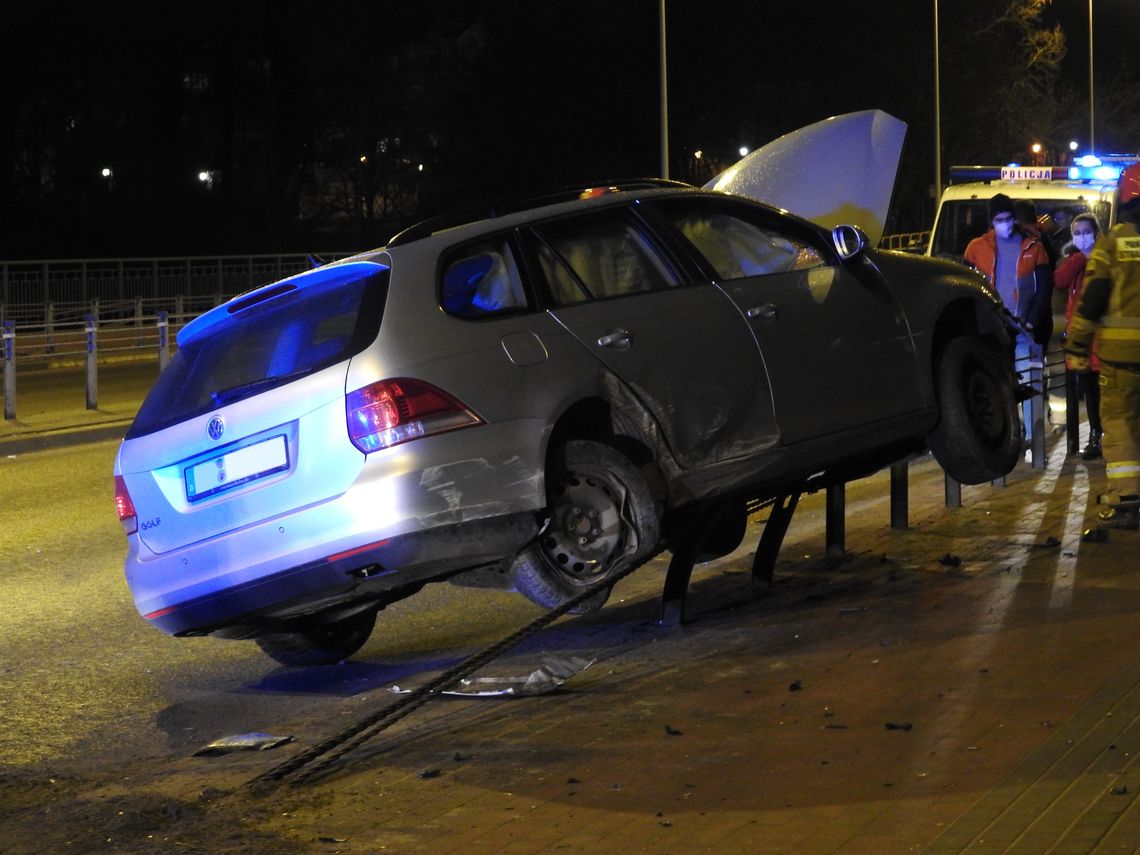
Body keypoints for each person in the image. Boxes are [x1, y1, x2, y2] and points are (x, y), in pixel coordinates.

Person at [1064, 163, 1140, 530]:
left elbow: (1092, 299)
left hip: (1120, 358)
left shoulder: (1111, 243)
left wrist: (1077, 346)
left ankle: (1127, 500)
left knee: (1121, 425)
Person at [964, 192, 1054, 444]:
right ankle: (1011, 434)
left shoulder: (1033, 246)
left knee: (1028, 378)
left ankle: (1032, 437)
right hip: (992, 328)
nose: (1004, 223)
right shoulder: (976, 248)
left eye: (1008, 218)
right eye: (999, 219)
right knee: (1000, 382)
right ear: (991, 221)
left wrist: (1032, 320)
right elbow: (969, 288)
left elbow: (1044, 288)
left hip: (1024, 326)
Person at [1055, 213, 1104, 459]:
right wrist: (1080, 258)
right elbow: (1060, 280)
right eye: (1077, 233)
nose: (1082, 237)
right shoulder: (1074, 261)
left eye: (1086, 232)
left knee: (1104, 391)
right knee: (1090, 390)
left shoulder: (1105, 259)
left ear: (1096, 233)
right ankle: (1097, 435)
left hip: (1102, 337)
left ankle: (1105, 437)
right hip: (1081, 339)